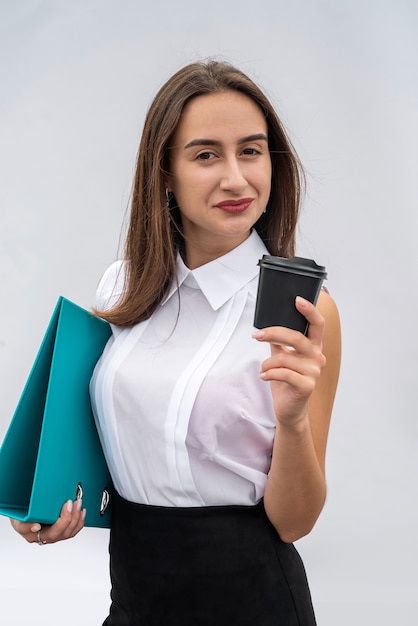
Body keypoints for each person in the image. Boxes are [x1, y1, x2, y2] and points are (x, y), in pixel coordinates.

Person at [10, 60, 341, 625]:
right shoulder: (123, 285)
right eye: (206, 154)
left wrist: (293, 421)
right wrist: (48, 504)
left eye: (252, 151)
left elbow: (294, 522)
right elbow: (107, 445)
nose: (236, 178)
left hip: (252, 602)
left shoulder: (304, 312)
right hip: (136, 595)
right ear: (164, 171)